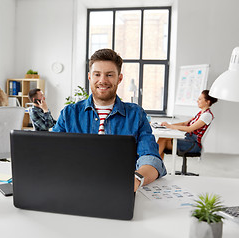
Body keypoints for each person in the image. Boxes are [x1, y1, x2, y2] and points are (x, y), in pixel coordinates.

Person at [52, 48, 166, 192]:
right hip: (75, 186)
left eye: (109, 75)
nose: (103, 80)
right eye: (97, 74)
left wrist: (136, 179)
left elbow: (151, 158)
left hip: (120, 188)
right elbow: (52, 153)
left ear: (119, 78)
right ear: (89, 77)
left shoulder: (136, 114)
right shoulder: (69, 114)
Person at [157, 90, 218, 160]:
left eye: (200, 99)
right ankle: (157, 167)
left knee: (162, 141)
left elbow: (189, 129)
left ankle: (154, 166)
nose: (197, 101)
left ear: (208, 102)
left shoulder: (207, 115)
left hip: (192, 144)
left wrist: (170, 126)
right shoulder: (200, 113)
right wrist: (166, 125)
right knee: (162, 139)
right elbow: (185, 124)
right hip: (188, 139)